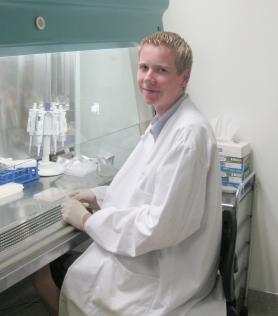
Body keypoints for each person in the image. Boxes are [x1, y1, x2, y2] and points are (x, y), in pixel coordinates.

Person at [34, 31, 226, 316]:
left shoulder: (188, 133)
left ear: (183, 78)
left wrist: (88, 220)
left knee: (50, 279)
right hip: (154, 258)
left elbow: (159, 226)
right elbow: (141, 190)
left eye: (161, 70)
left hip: (163, 276)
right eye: (144, 67)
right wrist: (98, 196)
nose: (148, 78)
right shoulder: (163, 121)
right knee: (62, 274)